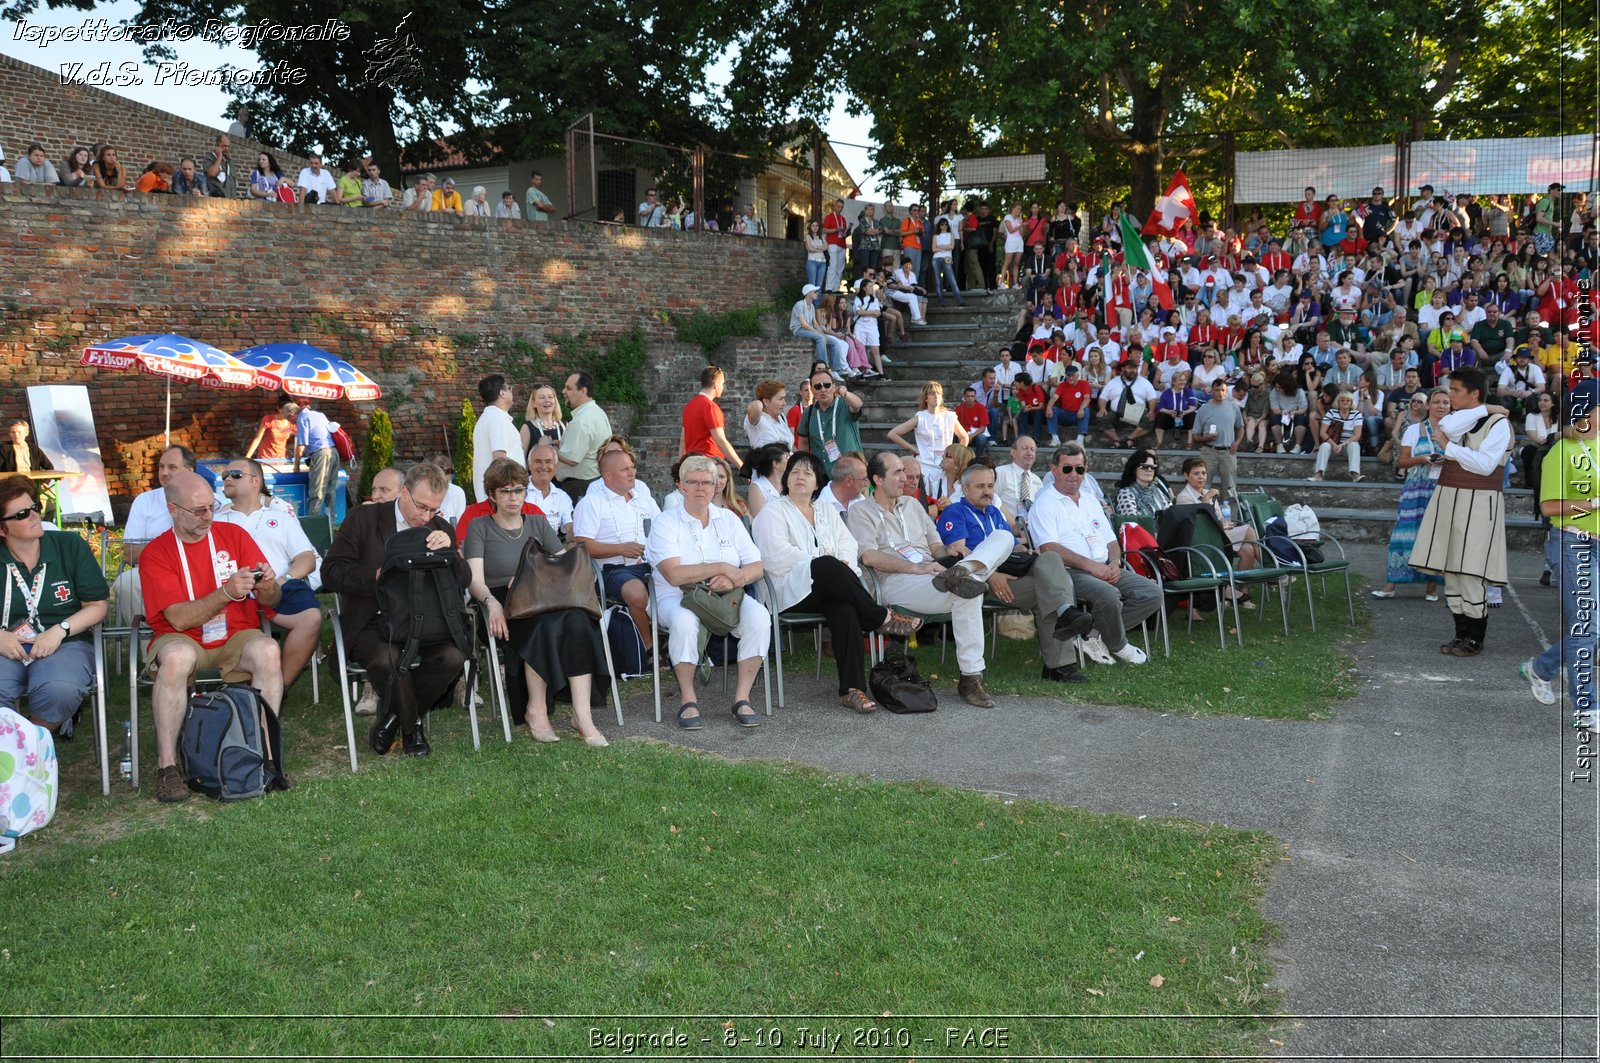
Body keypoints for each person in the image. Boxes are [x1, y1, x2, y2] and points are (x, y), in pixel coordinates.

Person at [141, 472, 285, 802]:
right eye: (199, 510)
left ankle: (264, 756)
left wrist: (268, 588)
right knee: (177, 659)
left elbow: (271, 602)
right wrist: (225, 593)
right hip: (183, 637)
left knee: (268, 651)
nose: (209, 516)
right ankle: (167, 767)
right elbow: (177, 618)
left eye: (212, 507)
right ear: (173, 509)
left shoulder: (233, 535)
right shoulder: (157, 553)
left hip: (235, 634)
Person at [753, 451, 923, 712]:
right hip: (786, 591)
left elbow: (848, 545)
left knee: (845, 608)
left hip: (828, 589)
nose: (800, 477)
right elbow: (775, 556)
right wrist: (826, 562)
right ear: (786, 478)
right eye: (795, 472)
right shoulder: (772, 511)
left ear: (817, 482)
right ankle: (880, 617)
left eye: (807, 473)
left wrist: (839, 563)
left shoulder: (825, 511)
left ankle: (852, 690)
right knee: (825, 564)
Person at [322, 463, 468, 758]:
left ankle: (391, 718)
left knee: (454, 656)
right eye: (421, 506)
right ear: (404, 492)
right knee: (390, 659)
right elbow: (331, 572)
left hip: (425, 622)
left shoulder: (439, 528)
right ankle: (412, 728)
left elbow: (464, 580)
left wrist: (450, 554)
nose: (425, 517)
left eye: (433, 510)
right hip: (372, 620)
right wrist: (375, 576)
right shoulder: (365, 518)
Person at [848, 452, 1012, 708]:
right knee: (969, 591)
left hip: (935, 573)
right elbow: (868, 557)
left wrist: (950, 553)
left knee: (1003, 537)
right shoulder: (860, 511)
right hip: (894, 581)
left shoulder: (913, 506)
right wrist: (915, 568)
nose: (905, 478)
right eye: (897, 473)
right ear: (878, 479)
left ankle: (964, 570)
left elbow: (936, 546)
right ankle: (971, 677)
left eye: (905, 471)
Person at [465, 458, 608, 746]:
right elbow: (473, 580)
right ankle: (536, 710)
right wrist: (492, 603)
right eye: (505, 491)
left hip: (541, 595)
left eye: (518, 490)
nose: (513, 498)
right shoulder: (479, 527)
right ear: (491, 495)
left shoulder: (538, 522)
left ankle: (582, 715)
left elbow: (559, 566)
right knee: (544, 625)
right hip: (500, 601)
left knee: (579, 620)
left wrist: (530, 575)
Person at [938, 463, 1096, 684]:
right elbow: (959, 557)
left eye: (991, 486)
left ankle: (1064, 621)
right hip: (982, 583)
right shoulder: (955, 512)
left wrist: (1027, 551)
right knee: (1047, 592)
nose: (987, 491)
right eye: (980, 486)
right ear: (965, 489)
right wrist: (991, 574)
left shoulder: (993, 511)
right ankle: (1063, 636)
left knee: (1049, 559)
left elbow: (1014, 547)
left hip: (1011, 573)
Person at [646, 455, 769, 729]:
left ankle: (742, 698)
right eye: (693, 482)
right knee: (685, 622)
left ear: (717, 487)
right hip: (675, 596)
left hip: (726, 597)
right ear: (682, 487)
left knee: (760, 617)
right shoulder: (666, 522)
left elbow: (757, 566)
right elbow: (674, 574)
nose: (701, 488)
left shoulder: (729, 520)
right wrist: (722, 567)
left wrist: (734, 580)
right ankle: (688, 700)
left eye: (707, 482)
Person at [1029, 443, 1162, 666]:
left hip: (1105, 567)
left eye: (1079, 469)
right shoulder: (1044, 504)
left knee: (1152, 593)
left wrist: (1114, 561)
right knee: (1108, 595)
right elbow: (1049, 548)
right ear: (1053, 470)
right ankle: (1119, 645)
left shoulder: (1090, 500)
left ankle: (1092, 635)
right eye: (1067, 469)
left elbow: (1111, 540)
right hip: (1068, 573)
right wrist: (1093, 567)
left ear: (1086, 470)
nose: (1074, 475)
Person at [1409, 367, 1510, 656]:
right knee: (1451, 570)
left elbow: (1485, 465)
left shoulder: (1499, 425)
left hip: (1479, 500)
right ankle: (1460, 634)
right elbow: (1446, 430)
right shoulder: (1460, 419)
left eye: (1455, 390)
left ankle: (1476, 636)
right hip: (1450, 497)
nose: (1449, 395)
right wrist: (1484, 407)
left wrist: (1450, 450)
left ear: (1474, 392)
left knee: (1471, 571)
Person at [0, 475, 109, 741]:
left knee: (60, 689)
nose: (35, 515)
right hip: (6, 644)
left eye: (34, 507)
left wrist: (60, 630)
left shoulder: (68, 545)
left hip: (65, 643)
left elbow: (97, 605)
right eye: (23, 514)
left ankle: (29, 744)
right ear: (2, 530)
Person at [1521, 392, 1600, 727]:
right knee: (1588, 625)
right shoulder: (1561, 452)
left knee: (1593, 627)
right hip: (1571, 542)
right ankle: (1586, 708)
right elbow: (1549, 508)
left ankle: (1541, 668)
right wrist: (1591, 505)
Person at [216, 459, 322, 691]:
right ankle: (244, 684)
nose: (226, 479)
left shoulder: (281, 518)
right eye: (224, 475)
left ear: (256, 481)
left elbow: (306, 557)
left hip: (279, 585)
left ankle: (277, 686)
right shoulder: (216, 521)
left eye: (235, 474)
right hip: (232, 591)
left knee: (311, 618)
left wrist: (284, 579)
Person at [573, 447, 661, 650]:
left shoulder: (644, 499)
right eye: (625, 469)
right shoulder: (592, 503)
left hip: (651, 564)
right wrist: (621, 549)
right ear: (607, 475)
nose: (632, 473)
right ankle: (649, 648)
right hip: (612, 570)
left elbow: (662, 532)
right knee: (636, 593)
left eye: (632, 467)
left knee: (683, 581)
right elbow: (583, 545)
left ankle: (679, 644)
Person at [1371, 389, 1446, 601]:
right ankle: (1391, 584)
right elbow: (1402, 462)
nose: (1441, 406)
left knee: (1435, 537)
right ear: (1429, 405)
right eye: (1437, 402)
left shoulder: (1455, 432)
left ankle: (1432, 586)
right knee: (1403, 535)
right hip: (1415, 489)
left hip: (1441, 489)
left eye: (1446, 403)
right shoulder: (1414, 430)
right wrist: (1423, 459)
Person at [1172, 458, 1261, 572]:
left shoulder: (1207, 492)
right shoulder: (1184, 497)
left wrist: (1225, 523)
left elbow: (1218, 518)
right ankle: (1271, 566)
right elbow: (1199, 524)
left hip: (1218, 533)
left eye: (1203, 473)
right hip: (1202, 539)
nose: (1201, 477)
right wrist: (1206, 499)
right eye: (1196, 473)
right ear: (1186, 476)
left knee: (1248, 549)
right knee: (1249, 531)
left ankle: (1242, 589)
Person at [887, 382, 968, 501]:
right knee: (924, 499)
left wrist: (957, 459)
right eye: (933, 394)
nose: (937, 396)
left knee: (944, 499)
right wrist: (913, 448)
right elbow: (892, 434)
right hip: (924, 465)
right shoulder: (921, 417)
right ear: (926, 398)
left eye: (939, 394)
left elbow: (964, 437)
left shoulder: (949, 416)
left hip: (944, 466)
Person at [555, 372, 613, 502]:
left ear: (583, 391)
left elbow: (571, 459)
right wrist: (560, 443)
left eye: (569, 388)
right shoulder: (596, 412)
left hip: (579, 486)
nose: (564, 392)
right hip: (591, 481)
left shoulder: (583, 419)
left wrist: (548, 447)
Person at [796, 371, 865, 476]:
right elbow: (803, 442)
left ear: (833, 386)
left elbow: (858, 405)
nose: (823, 390)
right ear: (812, 390)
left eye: (827, 385)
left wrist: (845, 394)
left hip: (850, 474)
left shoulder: (845, 404)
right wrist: (806, 464)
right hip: (822, 474)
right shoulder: (809, 412)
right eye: (818, 387)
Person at [470, 374, 520, 503]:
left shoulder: (489, 418)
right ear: (502, 393)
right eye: (509, 388)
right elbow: (500, 459)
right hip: (502, 500)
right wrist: (509, 495)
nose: (512, 391)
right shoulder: (497, 419)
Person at [1189, 378, 1245, 494]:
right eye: (1217, 390)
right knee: (1202, 486)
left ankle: (1230, 510)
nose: (1220, 393)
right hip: (1208, 451)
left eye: (1223, 390)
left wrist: (1237, 442)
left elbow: (1240, 427)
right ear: (1212, 391)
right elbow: (1195, 436)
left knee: (1230, 488)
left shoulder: (1234, 407)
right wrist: (1206, 438)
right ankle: (1204, 509)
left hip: (1228, 452)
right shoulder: (1203, 410)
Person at [292, 398, 340, 518]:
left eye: (290, 419)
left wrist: (296, 466)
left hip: (321, 454)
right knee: (330, 490)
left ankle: (314, 524)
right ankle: (331, 523)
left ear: (292, 414)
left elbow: (301, 445)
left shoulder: (302, 418)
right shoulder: (320, 414)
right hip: (333, 452)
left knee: (317, 492)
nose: (291, 423)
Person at [680, 366, 738, 461]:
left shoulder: (688, 406)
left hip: (690, 461)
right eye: (722, 384)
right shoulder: (710, 406)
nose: (723, 387)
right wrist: (742, 467)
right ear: (716, 385)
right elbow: (721, 441)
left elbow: (683, 441)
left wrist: (681, 465)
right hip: (709, 462)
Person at [1098, 359, 1158, 449]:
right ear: (1122, 369)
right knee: (1101, 418)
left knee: (1150, 419)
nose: (1133, 370)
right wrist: (1102, 408)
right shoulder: (1113, 382)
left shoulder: (1144, 382)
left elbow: (1153, 398)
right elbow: (1103, 398)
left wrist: (1152, 410)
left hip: (1137, 413)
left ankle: (1130, 439)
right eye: (1130, 368)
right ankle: (1117, 440)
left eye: (1135, 368)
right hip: (1117, 413)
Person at [1311, 390, 1365, 482]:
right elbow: (1322, 432)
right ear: (1338, 402)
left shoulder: (1357, 414)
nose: (1345, 402)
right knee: (1324, 445)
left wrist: (1343, 444)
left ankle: (1355, 474)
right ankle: (1318, 474)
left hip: (1347, 447)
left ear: (1351, 402)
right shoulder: (1331, 413)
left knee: (1354, 445)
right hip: (1333, 445)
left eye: (1348, 400)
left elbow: (1357, 435)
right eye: (1342, 400)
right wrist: (1334, 445)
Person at [524, 443, 574, 538]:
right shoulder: (518, 491)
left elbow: (570, 527)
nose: (543, 466)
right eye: (538, 461)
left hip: (551, 549)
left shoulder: (562, 497)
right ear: (530, 465)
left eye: (548, 462)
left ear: (555, 467)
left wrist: (571, 543)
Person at [1113, 449, 1173, 517]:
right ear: (1134, 469)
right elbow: (1132, 523)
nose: (1150, 470)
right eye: (1145, 466)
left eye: (1153, 467)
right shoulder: (1126, 493)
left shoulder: (1157, 490)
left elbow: (1171, 514)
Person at [742, 380, 791, 455]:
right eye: (780, 399)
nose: (784, 403)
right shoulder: (758, 419)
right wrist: (761, 401)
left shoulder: (781, 417)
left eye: (784, 398)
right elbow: (755, 406)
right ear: (766, 402)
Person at [520, 383, 566, 460]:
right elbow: (520, 459)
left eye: (550, 397)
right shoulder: (527, 428)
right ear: (534, 403)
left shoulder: (565, 426)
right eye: (542, 397)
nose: (547, 400)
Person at [744, 443, 790, 519]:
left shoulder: (789, 484)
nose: (789, 462)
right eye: (787, 458)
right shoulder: (757, 487)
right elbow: (760, 519)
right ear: (775, 463)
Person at [818, 452, 867, 518]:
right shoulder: (819, 508)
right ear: (849, 481)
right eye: (864, 479)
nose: (866, 484)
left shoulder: (860, 499)